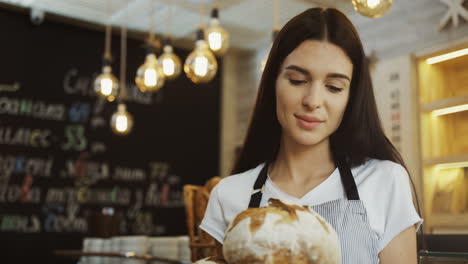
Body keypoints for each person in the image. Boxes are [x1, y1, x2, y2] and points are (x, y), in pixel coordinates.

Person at [200, 7, 422, 264]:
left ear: (351, 98)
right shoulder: (229, 194)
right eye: (297, 80)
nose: (313, 101)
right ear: (273, 83)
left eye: (334, 87)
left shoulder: (385, 181)